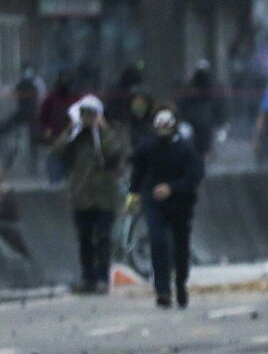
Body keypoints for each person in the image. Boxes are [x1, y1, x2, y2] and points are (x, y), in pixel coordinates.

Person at [129, 108, 204, 307]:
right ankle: (162, 289)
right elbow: (137, 171)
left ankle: (180, 282)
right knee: (157, 240)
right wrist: (133, 194)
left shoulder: (185, 149)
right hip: (154, 201)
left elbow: (194, 176)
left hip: (180, 203)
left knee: (180, 246)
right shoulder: (147, 147)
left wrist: (172, 188)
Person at [56, 96, 125, 295]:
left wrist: (101, 130)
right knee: (85, 238)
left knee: (103, 237)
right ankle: (88, 277)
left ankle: (102, 277)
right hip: (82, 196)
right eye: (85, 114)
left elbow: (114, 152)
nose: (88, 118)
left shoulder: (107, 134)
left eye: (92, 114)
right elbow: (59, 150)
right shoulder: (77, 136)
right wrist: (72, 129)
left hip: (105, 197)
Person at [176, 61, 227, 162]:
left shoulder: (213, 91)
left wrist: (222, 124)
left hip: (207, 126)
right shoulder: (190, 90)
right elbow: (182, 105)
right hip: (193, 125)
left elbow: (219, 108)